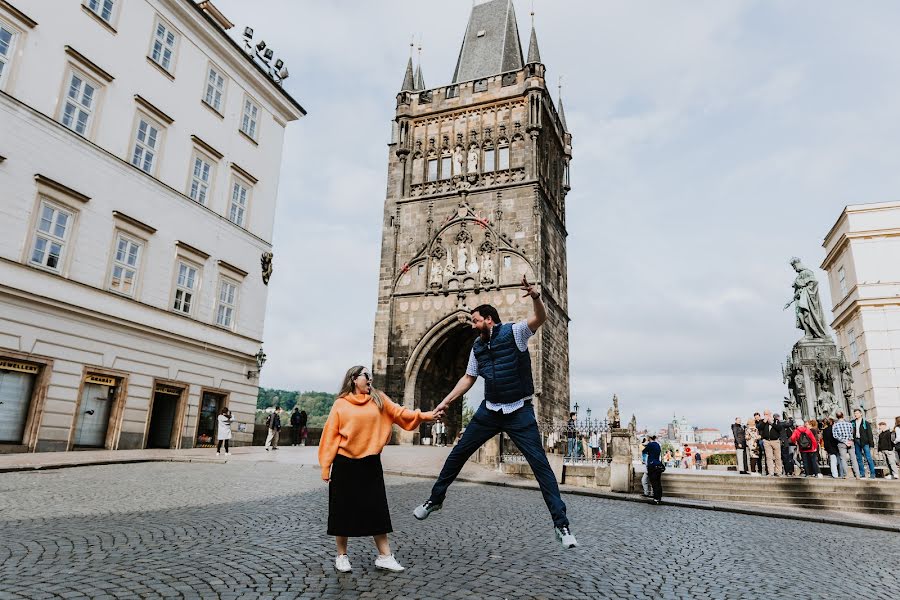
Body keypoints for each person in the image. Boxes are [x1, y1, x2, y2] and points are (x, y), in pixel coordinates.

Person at [413, 276, 579, 549]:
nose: (472, 324)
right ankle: (436, 499)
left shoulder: (515, 332)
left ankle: (561, 525)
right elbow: (468, 378)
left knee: (541, 466)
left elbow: (540, 319)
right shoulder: (477, 347)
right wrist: (446, 402)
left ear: (489, 319)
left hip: (519, 410)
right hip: (490, 410)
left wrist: (537, 297)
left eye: (476, 320)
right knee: (458, 453)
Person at [319, 365, 442, 573]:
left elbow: (403, 414)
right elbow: (330, 436)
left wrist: (426, 416)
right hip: (344, 463)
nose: (370, 379)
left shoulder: (379, 399)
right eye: (366, 375)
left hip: (370, 462)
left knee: (377, 509)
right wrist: (326, 467)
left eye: (370, 376)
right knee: (342, 510)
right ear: (353, 379)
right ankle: (341, 556)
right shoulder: (340, 404)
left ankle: (385, 556)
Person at [851, 408, 876, 479]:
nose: (856, 415)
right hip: (856, 441)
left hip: (865, 442)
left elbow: (870, 434)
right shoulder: (852, 422)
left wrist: (871, 444)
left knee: (868, 458)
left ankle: (872, 473)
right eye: (855, 413)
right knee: (859, 458)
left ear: (861, 414)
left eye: (857, 413)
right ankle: (862, 473)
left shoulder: (865, 422)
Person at [757, 410, 784, 476]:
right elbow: (759, 428)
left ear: (770, 414)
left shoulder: (776, 421)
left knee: (778, 457)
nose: (766, 415)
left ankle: (778, 472)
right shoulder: (763, 421)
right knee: (769, 457)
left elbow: (779, 428)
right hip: (767, 441)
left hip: (775, 441)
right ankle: (771, 472)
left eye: (767, 414)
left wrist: (772, 423)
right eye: (765, 414)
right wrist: (764, 422)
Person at [831, 411, 857, 478]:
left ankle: (846, 475)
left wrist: (844, 441)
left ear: (837, 417)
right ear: (843, 416)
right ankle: (857, 475)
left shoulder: (835, 425)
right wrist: (850, 440)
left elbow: (835, 436)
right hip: (850, 442)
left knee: (843, 459)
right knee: (853, 459)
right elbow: (852, 433)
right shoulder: (849, 424)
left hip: (842, 443)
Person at [645, 435, 664, 504]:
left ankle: (656, 499)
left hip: (652, 465)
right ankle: (659, 498)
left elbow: (644, 451)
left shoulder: (650, 444)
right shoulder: (658, 445)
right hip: (658, 464)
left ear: (649, 438)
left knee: (654, 482)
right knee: (658, 482)